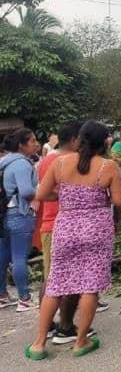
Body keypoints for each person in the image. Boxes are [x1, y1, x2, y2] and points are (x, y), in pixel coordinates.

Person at [26, 121, 121, 360]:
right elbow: (119, 201)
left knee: (56, 284)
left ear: (79, 139)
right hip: (97, 229)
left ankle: (39, 344)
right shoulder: (108, 166)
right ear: (105, 142)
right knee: (90, 285)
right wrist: (115, 221)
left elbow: (40, 195)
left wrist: (64, 196)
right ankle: (81, 341)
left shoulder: (59, 163)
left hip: (66, 227)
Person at [0, 128, 41, 311]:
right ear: (21, 145)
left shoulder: (3, 162)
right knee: (19, 257)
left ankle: (2, 295)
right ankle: (24, 298)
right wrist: (40, 194)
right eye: (32, 141)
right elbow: (25, 191)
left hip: (3, 214)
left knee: (2, 256)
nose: (36, 144)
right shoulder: (22, 164)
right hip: (19, 213)